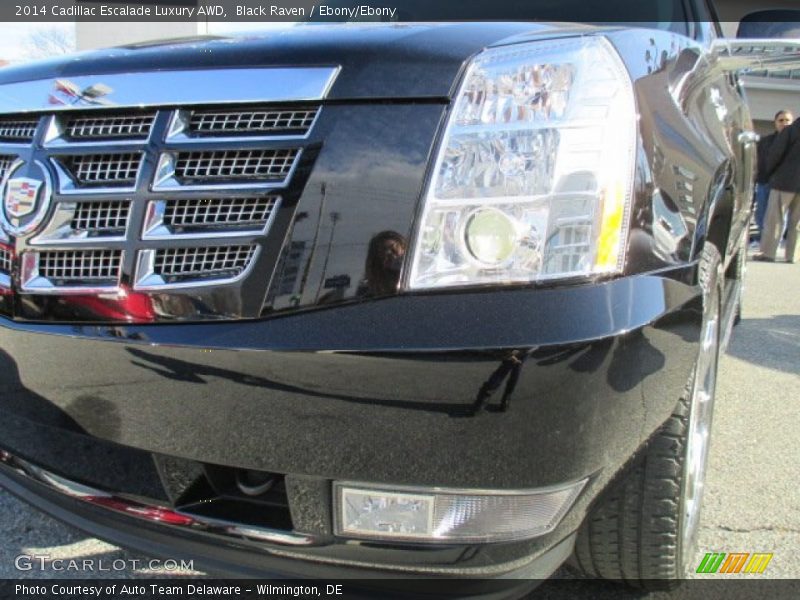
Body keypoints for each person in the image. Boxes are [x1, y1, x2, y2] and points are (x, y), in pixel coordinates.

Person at [757, 115, 800, 263]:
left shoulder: (791, 130)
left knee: (775, 219)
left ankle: (768, 253)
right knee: (797, 223)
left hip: (785, 181)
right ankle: (792, 255)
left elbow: (775, 154)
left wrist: (770, 173)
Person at [754, 110, 793, 240]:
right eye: (781, 120)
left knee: (780, 215)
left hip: (784, 185)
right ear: (775, 123)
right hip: (765, 181)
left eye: (787, 120)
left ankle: (776, 240)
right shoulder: (766, 141)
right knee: (761, 212)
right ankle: (762, 238)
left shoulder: (795, 143)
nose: (784, 123)